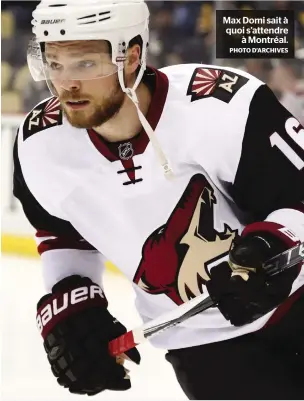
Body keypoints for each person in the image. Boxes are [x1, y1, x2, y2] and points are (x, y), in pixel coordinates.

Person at [13, 0, 304, 399]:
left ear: (131, 56)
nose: (67, 83)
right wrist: (74, 306)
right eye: (55, 63)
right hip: (205, 349)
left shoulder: (220, 104)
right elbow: (61, 233)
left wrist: (271, 246)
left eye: (84, 63)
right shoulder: (39, 144)